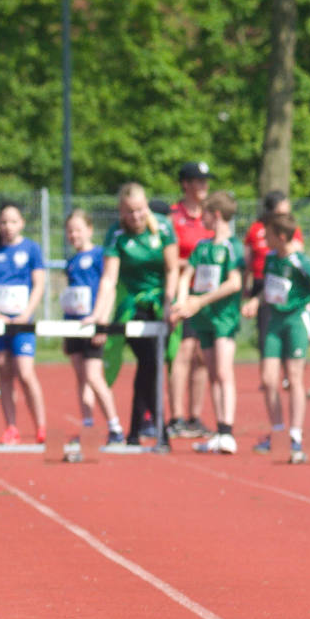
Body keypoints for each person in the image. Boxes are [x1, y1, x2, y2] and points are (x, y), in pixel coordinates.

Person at [90, 182, 179, 442]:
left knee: (150, 366)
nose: (136, 217)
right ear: (121, 211)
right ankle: (157, 428)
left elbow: (172, 268)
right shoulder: (116, 234)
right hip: (131, 305)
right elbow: (108, 279)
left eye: (140, 210)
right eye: (129, 211)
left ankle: (136, 431)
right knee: (149, 361)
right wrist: (99, 316)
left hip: (160, 302)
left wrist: (170, 303)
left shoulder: (163, 227)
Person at [242, 212, 310, 463]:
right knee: (269, 379)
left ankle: (296, 435)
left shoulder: (300, 262)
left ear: (280, 236)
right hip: (274, 322)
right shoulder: (270, 259)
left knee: (294, 377)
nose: (263, 239)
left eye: (267, 234)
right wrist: (256, 302)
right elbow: (270, 289)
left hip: (296, 321)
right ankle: (277, 432)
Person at [167, 190, 244, 453]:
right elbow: (185, 274)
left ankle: (228, 429)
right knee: (212, 373)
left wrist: (201, 301)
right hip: (203, 319)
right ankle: (220, 431)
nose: (203, 220)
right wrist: (181, 301)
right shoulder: (202, 247)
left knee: (223, 372)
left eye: (206, 215)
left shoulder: (231, 246)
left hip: (223, 318)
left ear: (217, 215)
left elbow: (234, 283)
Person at [0, 200, 47, 445]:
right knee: (4, 371)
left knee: (25, 373)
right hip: (0, 323)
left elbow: (39, 283)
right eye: (4, 222)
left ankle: (40, 425)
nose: (8, 226)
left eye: (13, 221)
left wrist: (27, 313)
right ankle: (11, 427)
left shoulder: (31, 249)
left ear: (22, 224)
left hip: (23, 322)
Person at [59, 208, 122, 443]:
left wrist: (102, 322)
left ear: (89, 230)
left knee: (95, 377)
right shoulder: (71, 261)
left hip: (93, 325)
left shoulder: (100, 255)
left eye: (78, 230)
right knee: (81, 378)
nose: (73, 235)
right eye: (69, 231)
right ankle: (87, 426)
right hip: (74, 326)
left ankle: (115, 427)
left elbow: (109, 287)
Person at [167, 160, 214, 437]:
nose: (203, 186)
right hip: (183, 293)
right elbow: (169, 257)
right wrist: (190, 265)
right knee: (182, 353)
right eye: (198, 180)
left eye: (206, 180)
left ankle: (195, 416)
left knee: (202, 356)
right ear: (185, 184)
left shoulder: (210, 216)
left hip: (206, 296)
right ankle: (176, 417)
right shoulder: (174, 216)